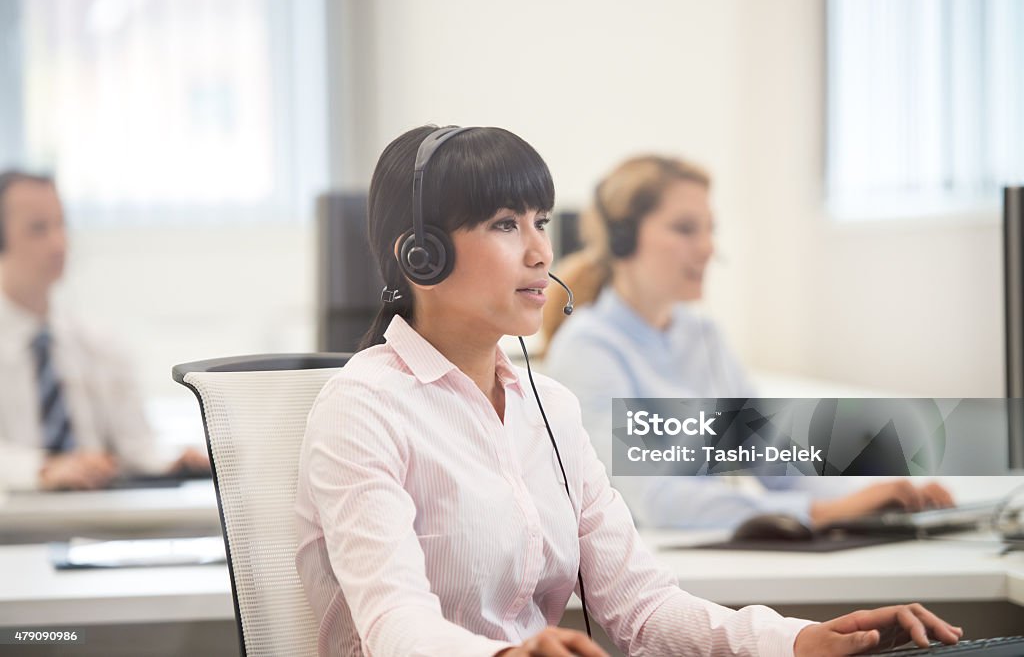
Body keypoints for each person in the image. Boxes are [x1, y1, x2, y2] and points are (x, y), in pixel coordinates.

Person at [294, 125, 961, 657]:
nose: (539, 253)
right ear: (422, 256)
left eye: (541, 222)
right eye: (505, 224)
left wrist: (795, 640)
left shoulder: (549, 408)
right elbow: (394, 624)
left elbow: (641, 607)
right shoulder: (365, 408)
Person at [542, 155, 952, 530]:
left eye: (709, 229)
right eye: (685, 229)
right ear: (622, 238)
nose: (707, 249)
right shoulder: (588, 350)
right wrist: (818, 514)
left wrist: (880, 497)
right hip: (646, 569)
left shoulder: (704, 338)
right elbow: (653, 499)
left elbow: (771, 461)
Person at [0, 170, 208, 491]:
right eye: (38, 229)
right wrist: (44, 469)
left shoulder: (97, 345)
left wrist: (173, 462)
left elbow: (136, 446)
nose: (59, 243)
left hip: (93, 520)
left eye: (61, 225)